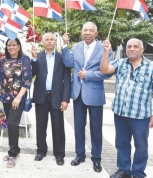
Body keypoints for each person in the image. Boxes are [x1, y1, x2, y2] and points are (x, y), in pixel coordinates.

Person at [62, 22, 113, 173]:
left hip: (95, 93)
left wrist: (88, 75)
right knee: (78, 127)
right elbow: (67, 62)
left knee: (96, 128)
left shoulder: (104, 48)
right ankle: (80, 155)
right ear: (81, 32)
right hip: (78, 93)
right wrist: (64, 45)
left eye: (91, 31)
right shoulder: (76, 46)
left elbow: (108, 72)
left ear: (96, 34)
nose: (88, 33)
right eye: (85, 30)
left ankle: (96, 159)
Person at [100, 38, 153, 178]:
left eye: (136, 46)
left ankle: (137, 173)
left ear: (142, 49)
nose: (132, 49)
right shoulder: (120, 63)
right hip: (120, 113)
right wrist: (106, 52)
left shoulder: (151, 67)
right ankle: (123, 170)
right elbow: (104, 69)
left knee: (141, 146)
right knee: (122, 143)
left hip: (140, 115)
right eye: (129, 46)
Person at [31, 33, 71, 166]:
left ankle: (59, 154)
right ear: (42, 42)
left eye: (51, 39)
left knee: (58, 126)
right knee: (41, 126)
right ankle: (41, 151)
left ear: (55, 41)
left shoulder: (61, 58)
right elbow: (32, 74)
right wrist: (34, 59)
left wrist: (65, 99)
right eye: (46, 39)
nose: (49, 42)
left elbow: (67, 80)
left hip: (57, 97)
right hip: (41, 96)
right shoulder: (38, 56)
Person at [0, 38, 31, 168]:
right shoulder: (4, 60)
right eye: (9, 45)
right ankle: (15, 151)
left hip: (18, 98)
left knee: (12, 124)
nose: (11, 47)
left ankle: (12, 154)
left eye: (14, 45)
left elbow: (27, 80)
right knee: (11, 125)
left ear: (18, 46)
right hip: (5, 98)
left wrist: (18, 97)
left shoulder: (24, 59)